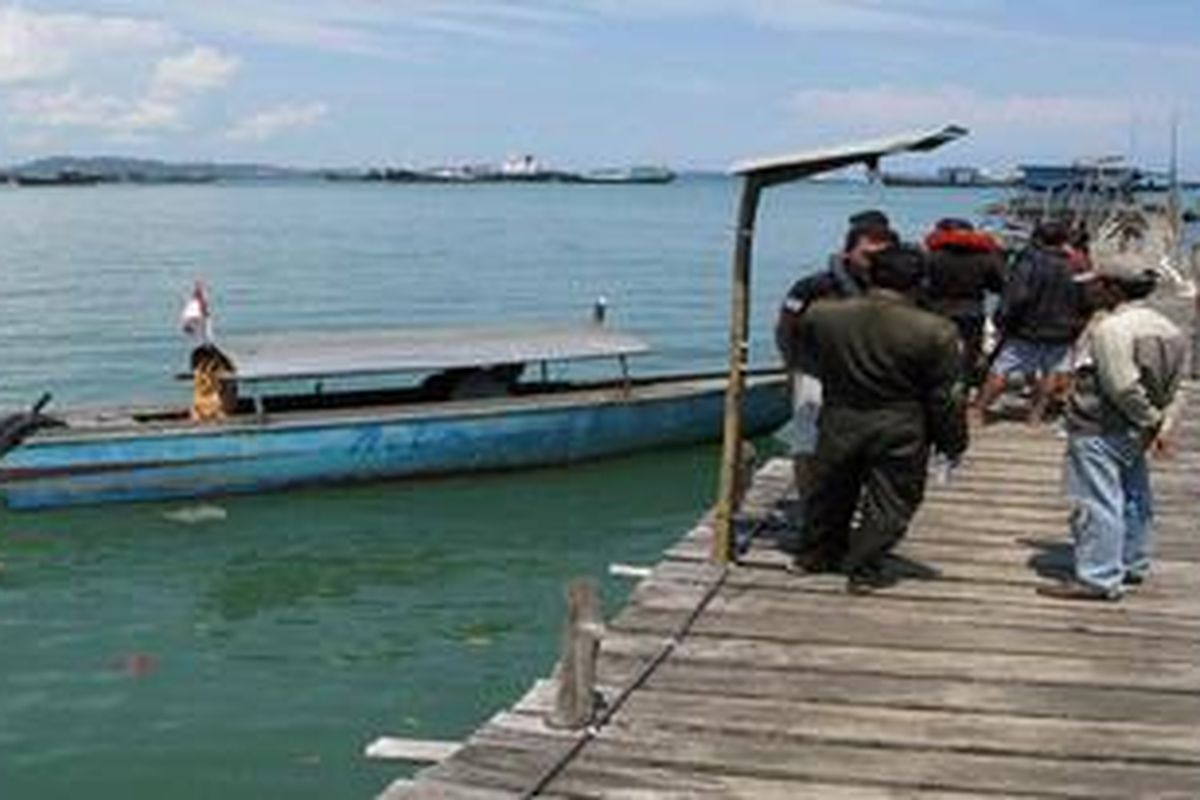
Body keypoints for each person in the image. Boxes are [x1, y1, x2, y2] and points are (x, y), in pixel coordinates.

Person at [790, 244, 969, 594]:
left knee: (830, 490)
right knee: (892, 499)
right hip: (901, 422)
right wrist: (953, 441)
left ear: (870, 274)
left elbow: (804, 357)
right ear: (920, 282)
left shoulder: (823, 314)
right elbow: (945, 397)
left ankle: (816, 555)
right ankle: (865, 567)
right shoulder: (937, 330)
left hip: (840, 414)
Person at [1037, 257, 1185, 601]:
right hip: (1137, 430)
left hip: (1101, 427)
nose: (1090, 288)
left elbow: (1122, 386)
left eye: (1096, 283)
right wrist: (1160, 424)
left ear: (1113, 288)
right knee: (1134, 497)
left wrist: (1148, 418)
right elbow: (1175, 387)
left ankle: (1098, 576)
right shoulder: (1169, 328)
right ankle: (1132, 562)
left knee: (1096, 501)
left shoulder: (1111, 329)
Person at [775, 212, 897, 514]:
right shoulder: (811, 287)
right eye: (868, 255)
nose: (875, 262)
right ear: (847, 252)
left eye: (883, 257)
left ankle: (857, 503)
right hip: (815, 374)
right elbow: (785, 327)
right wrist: (791, 368)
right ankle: (809, 506)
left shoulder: (898, 288)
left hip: (871, 378)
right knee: (806, 443)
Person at [973, 220, 1082, 424]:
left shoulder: (1029, 262)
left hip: (1027, 328)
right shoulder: (1074, 264)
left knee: (1001, 370)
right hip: (1063, 330)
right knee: (1050, 373)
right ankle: (1035, 416)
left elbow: (1017, 297)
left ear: (1037, 239)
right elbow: (1083, 297)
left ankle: (978, 411)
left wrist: (1002, 320)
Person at [922, 218, 1005, 387]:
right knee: (969, 355)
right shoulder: (986, 258)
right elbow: (998, 286)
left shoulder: (932, 257)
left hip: (937, 310)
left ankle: (933, 387)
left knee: (933, 353)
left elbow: (920, 283)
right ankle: (962, 388)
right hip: (971, 312)